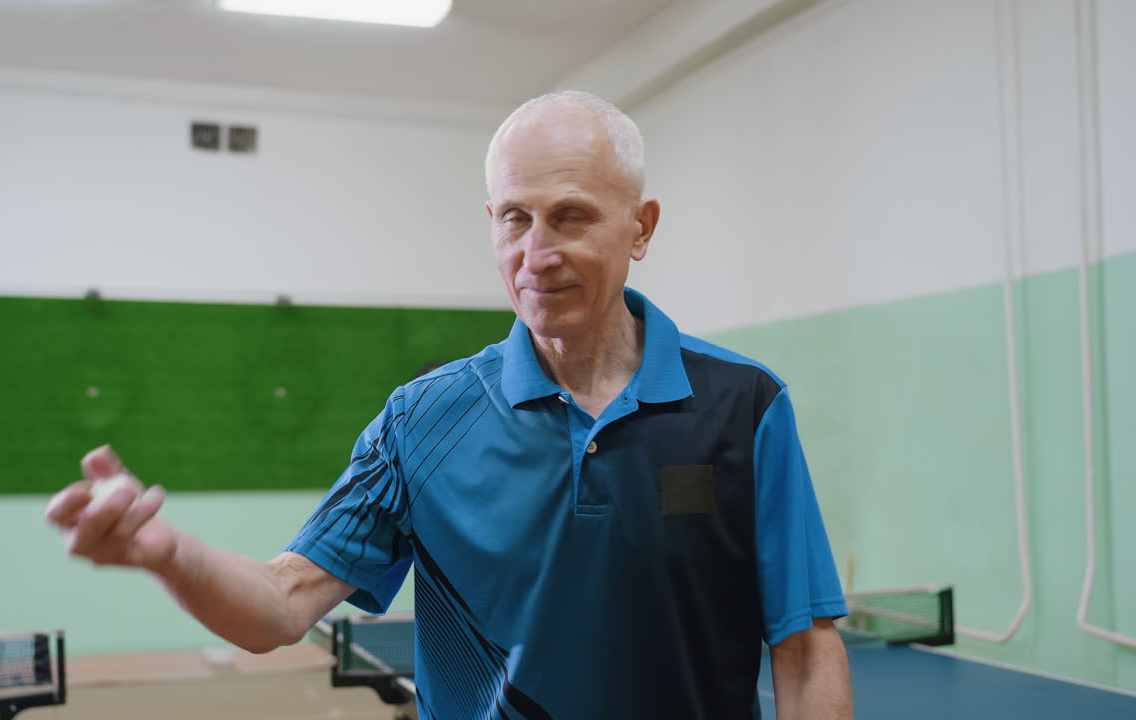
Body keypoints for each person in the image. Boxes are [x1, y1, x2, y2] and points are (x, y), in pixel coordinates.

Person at [46, 91, 852, 719]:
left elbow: (806, 649)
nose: (536, 254)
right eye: (514, 218)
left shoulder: (745, 406)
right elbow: (282, 606)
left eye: (570, 216)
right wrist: (169, 555)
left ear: (640, 228)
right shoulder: (420, 420)